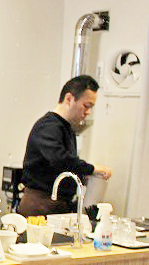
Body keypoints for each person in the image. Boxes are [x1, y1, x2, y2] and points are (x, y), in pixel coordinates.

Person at [17, 75, 112, 217]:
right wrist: (91, 169)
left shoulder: (66, 128)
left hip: (58, 205)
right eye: (86, 106)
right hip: (40, 206)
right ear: (69, 99)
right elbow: (61, 160)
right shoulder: (48, 127)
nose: (88, 112)